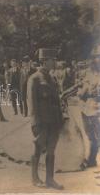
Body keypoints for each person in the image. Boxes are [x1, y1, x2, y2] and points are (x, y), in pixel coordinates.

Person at [27, 53, 64, 190]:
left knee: (51, 150)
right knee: (38, 147)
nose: (54, 62)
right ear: (43, 61)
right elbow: (32, 102)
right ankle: (35, 178)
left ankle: (50, 179)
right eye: (51, 59)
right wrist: (35, 122)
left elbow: (57, 101)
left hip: (54, 120)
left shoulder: (52, 78)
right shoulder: (35, 78)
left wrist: (60, 119)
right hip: (42, 121)